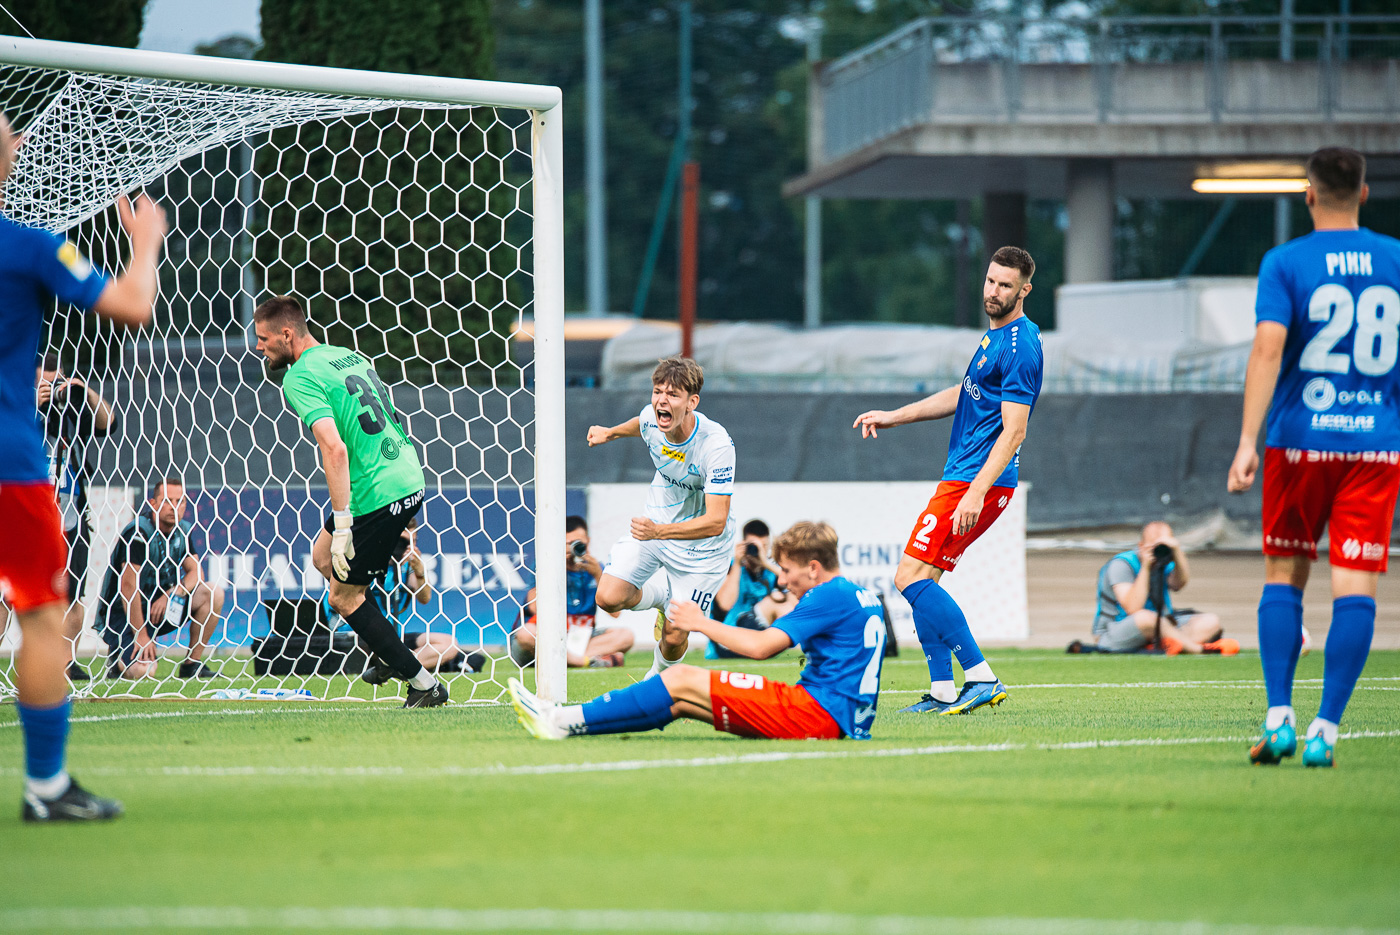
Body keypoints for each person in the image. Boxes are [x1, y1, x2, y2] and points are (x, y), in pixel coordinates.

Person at [0, 109, 166, 821]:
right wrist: (146, 243)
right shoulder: (28, 247)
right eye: (10, 132)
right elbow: (132, 305)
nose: (21, 139)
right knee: (44, 618)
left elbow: (102, 417)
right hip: (10, 464)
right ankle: (46, 787)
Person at [1228, 146, 1400, 768]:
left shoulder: (1285, 262)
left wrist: (1247, 441)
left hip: (1299, 443)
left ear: (1308, 194)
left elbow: (1267, 350)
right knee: (1356, 587)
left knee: (1284, 577)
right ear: (1364, 194)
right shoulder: (1395, 259)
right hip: (1375, 446)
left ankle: (1280, 719)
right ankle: (1326, 730)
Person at [853, 246, 1043, 715]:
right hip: (964, 476)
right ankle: (942, 690)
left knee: (908, 576)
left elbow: (1015, 430)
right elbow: (965, 394)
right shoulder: (994, 338)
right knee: (926, 579)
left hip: (976, 482)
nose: (994, 291)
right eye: (991, 280)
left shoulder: (1021, 345)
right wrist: (895, 416)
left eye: (1005, 285)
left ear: (1024, 290)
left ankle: (981, 676)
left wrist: (976, 493)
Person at [507, 521, 887, 742]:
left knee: (681, 677)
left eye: (787, 571)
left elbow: (761, 647)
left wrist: (699, 622)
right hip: (837, 716)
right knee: (680, 700)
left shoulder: (828, 595)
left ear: (814, 568)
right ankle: (566, 725)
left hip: (816, 714)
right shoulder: (861, 595)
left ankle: (557, 718)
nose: (783, 581)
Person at [252, 295, 447, 708]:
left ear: (286, 334)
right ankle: (386, 650)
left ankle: (424, 684)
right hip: (403, 474)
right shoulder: (347, 355)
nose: (258, 347)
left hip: (377, 492)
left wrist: (343, 523)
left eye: (263, 339)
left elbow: (335, 449)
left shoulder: (299, 376)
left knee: (342, 598)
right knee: (323, 558)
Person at [586, 357, 736, 679]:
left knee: (675, 635)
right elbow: (640, 424)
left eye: (673, 394)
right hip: (656, 527)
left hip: (703, 550)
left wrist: (658, 531)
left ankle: (655, 681)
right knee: (608, 598)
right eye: (657, 392)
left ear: (692, 402)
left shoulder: (716, 446)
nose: (661, 401)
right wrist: (610, 433)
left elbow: (716, 521)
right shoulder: (652, 419)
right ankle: (664, 597)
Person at [95, 478, 226, 681]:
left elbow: (196, 573)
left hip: (159, 609)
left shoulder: (182, 530)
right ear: (153, 504)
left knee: (212, 592)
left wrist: (172, 593)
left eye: (179, 501)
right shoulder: (139, 532)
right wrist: (141, 634)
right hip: (126, 612)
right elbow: (128, 586)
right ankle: (117, 661)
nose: (174, 507)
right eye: (167, 501)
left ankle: (192, 665)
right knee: (143, 671)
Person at [323, 516, 481, 681]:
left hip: (391, 637)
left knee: (449, 643)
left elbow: (424, 598)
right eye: (404, 541)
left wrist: (419, 572)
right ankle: (397, 666)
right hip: (357, 637)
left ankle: (397, 668)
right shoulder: (365, 559)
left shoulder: (406, 566)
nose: (409, 547)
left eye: (414, 541)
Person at [38, 352, 116, 682]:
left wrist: (85, 391)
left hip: (72, 516)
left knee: (74, 593)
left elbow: (108, 423)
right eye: (45, 379)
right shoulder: (15, 408)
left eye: (57, 379)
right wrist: (32, 403)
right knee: (6, 595)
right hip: (26, 513)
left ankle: (67, 664)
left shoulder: (72, 411)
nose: (52, 386)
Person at [1090, 521, 1236, 655]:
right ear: (1141, 546)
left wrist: (1177, 552)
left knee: (1211, 621)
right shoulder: (1121, 565)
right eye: (1153, 547)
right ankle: (1196, 649)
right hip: (1114, 631)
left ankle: (1163, 645)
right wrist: (1146, 567)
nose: (1158, 551)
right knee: (1146, 618)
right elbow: (1133, 608)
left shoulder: (1164, 561)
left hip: (1161, 624)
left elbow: (1179, 584)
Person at [511, 515, 634, 668]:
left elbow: (615, 613)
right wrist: (555, 568)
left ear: (588, 541)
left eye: (578, 543)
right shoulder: (546, 564)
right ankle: (584, 661)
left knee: (626, 636)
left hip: (580, 639)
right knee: (526, 633)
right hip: (544, 640)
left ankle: (568, 660)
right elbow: (534, 608)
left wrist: (598, 575)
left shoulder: (597, 568)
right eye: (568, 544)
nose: (574, 548)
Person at [706, 518, 791, 659]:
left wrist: (765, 563)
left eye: (763, 546)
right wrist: (738, 563)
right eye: (753, 545)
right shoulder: (730, 568)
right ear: (743, 544)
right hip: (727, 641)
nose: (758, 550)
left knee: (785, 599)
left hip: (757, 639)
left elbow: (795, 589)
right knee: (776, 599)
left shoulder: (770, 573)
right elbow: (725, 605)